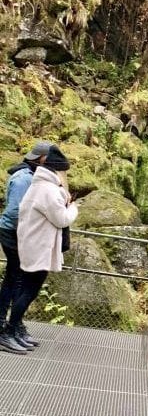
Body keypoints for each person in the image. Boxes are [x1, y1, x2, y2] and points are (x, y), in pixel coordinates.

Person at [13, 146, 78, 351]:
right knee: (29, 291)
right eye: (63, 171)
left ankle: (14, 329)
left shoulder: (40, 186)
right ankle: (10, 330)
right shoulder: (47, 190)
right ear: (56, 170)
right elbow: (61, 219)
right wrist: (74, 208)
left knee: (26, 289)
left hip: (33, 244)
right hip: (38, 247)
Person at [0, 140, 53, 353]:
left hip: (18, 233)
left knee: (15, 278)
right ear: (42, 159)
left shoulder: (32, 176)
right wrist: (26, 232)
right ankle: (5, 328)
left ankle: (12, 326)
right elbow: (15, 212)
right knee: (15, 278)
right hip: (13, 233)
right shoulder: (23, 179)